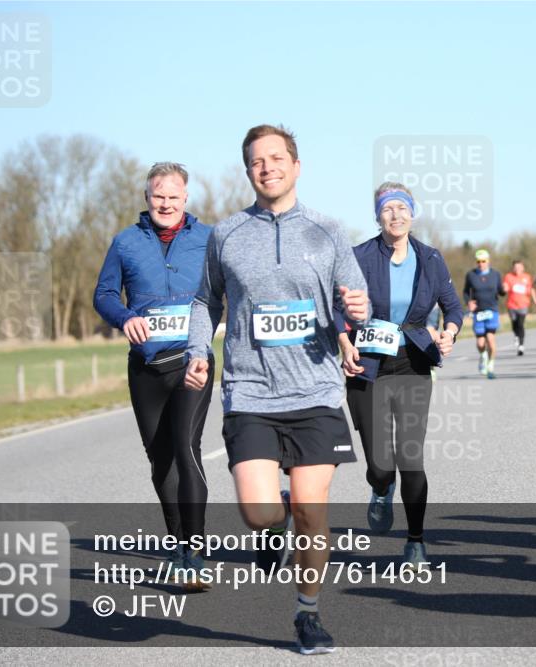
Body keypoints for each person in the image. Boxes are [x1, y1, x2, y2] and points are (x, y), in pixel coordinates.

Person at [184, 124, 370, 652]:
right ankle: (273, 521)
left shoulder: (327, 231)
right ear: (248, 172)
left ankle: (307, 614)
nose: (267, 167)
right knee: (257, 513)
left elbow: (353, 300)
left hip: (315, 389)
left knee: (314, 511)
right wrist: (199, 352)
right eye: (256, 161)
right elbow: (205, 303)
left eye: (276, 158)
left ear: (296, 165)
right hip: (251, 392)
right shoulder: (227, 235)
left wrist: (356, 313)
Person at [94, 162, 214, 590]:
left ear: (186, 199)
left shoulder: (208, 238)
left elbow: (231, 287)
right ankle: (178, 543)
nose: (165, 203)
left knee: (186, 447)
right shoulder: (126, 242)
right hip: (146, 367)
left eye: (173, 197)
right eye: (158, 196)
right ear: (147, 199)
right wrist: (124, 317)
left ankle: (197, 553)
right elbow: (104, 294)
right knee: (160, 458)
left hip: (191, 361)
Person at [338, 182, 462, 566]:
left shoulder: (430, 258)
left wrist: (449, 333)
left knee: (411, 457)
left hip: (413, 363)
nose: (396, 215)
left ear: (413, 213)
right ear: (377, 216)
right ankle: (380, 487)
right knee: (380, 463)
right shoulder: (358, 256)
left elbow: (453, 307)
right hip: (368, 367)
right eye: (388, 209)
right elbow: (335, 307)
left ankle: (415, 540)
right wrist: (345, 344)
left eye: (402, 208)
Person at [464, 249, 506, 379]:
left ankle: (491, 366)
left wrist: (505, 290)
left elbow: (501, 291)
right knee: (480, 343)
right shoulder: (471, 275)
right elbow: (466, 292)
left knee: (491, 340)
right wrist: (469, 303)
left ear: (488, 261)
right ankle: (483, 356)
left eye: (483, 261)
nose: (481, 264)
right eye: (478, 261)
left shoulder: (495, 274)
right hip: (478, 313)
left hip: (492, 310)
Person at [502, 260, 535, 356]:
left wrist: (533, 297)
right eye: (515, 267)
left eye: (519, 267)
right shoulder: (508, 276)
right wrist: (505, 288)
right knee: (514, 323)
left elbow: (530, 289)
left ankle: (521, 345)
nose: (517, 269)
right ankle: (516, 335)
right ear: (513, 268)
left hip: (523, 304)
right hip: (511, 305)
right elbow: (505, 287)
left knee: (520, 324)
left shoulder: (527, 277)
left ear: (523, 268)